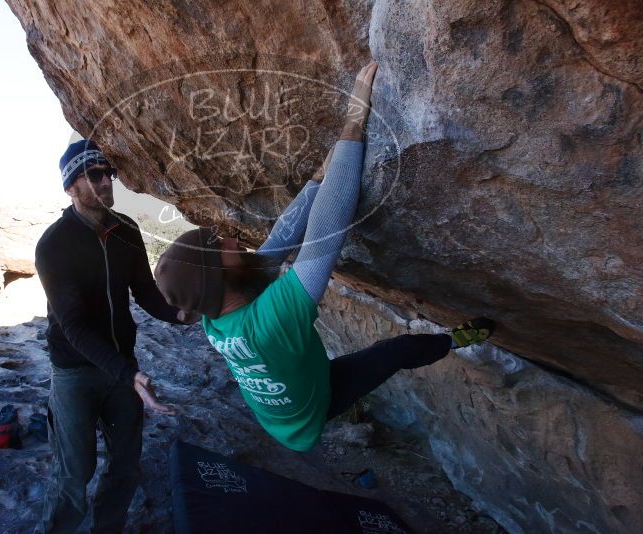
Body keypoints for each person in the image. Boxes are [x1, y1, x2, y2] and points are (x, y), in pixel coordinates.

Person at [153, 62, 495, 452]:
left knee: (341, 358)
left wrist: (318, 175)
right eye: (219, 245)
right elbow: (327, 230)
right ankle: (454, 341)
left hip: (285, 403)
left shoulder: (215, 316)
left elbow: (281, 239)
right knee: (393, 353)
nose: (230, 238)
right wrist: (353, 122)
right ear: (217, 275)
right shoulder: (270, 320)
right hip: (312, 411)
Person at [35, 139, 196, 533]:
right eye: (94, 175)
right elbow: (72, 326)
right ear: (71, 187)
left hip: (123, 367)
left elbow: (144, 291)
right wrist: (129, 375)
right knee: (75, 472)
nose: (106, 182)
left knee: (125, 464)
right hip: (75, 372)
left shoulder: (126, 230)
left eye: (108, 173)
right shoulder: (54, 245)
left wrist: (179, 314)